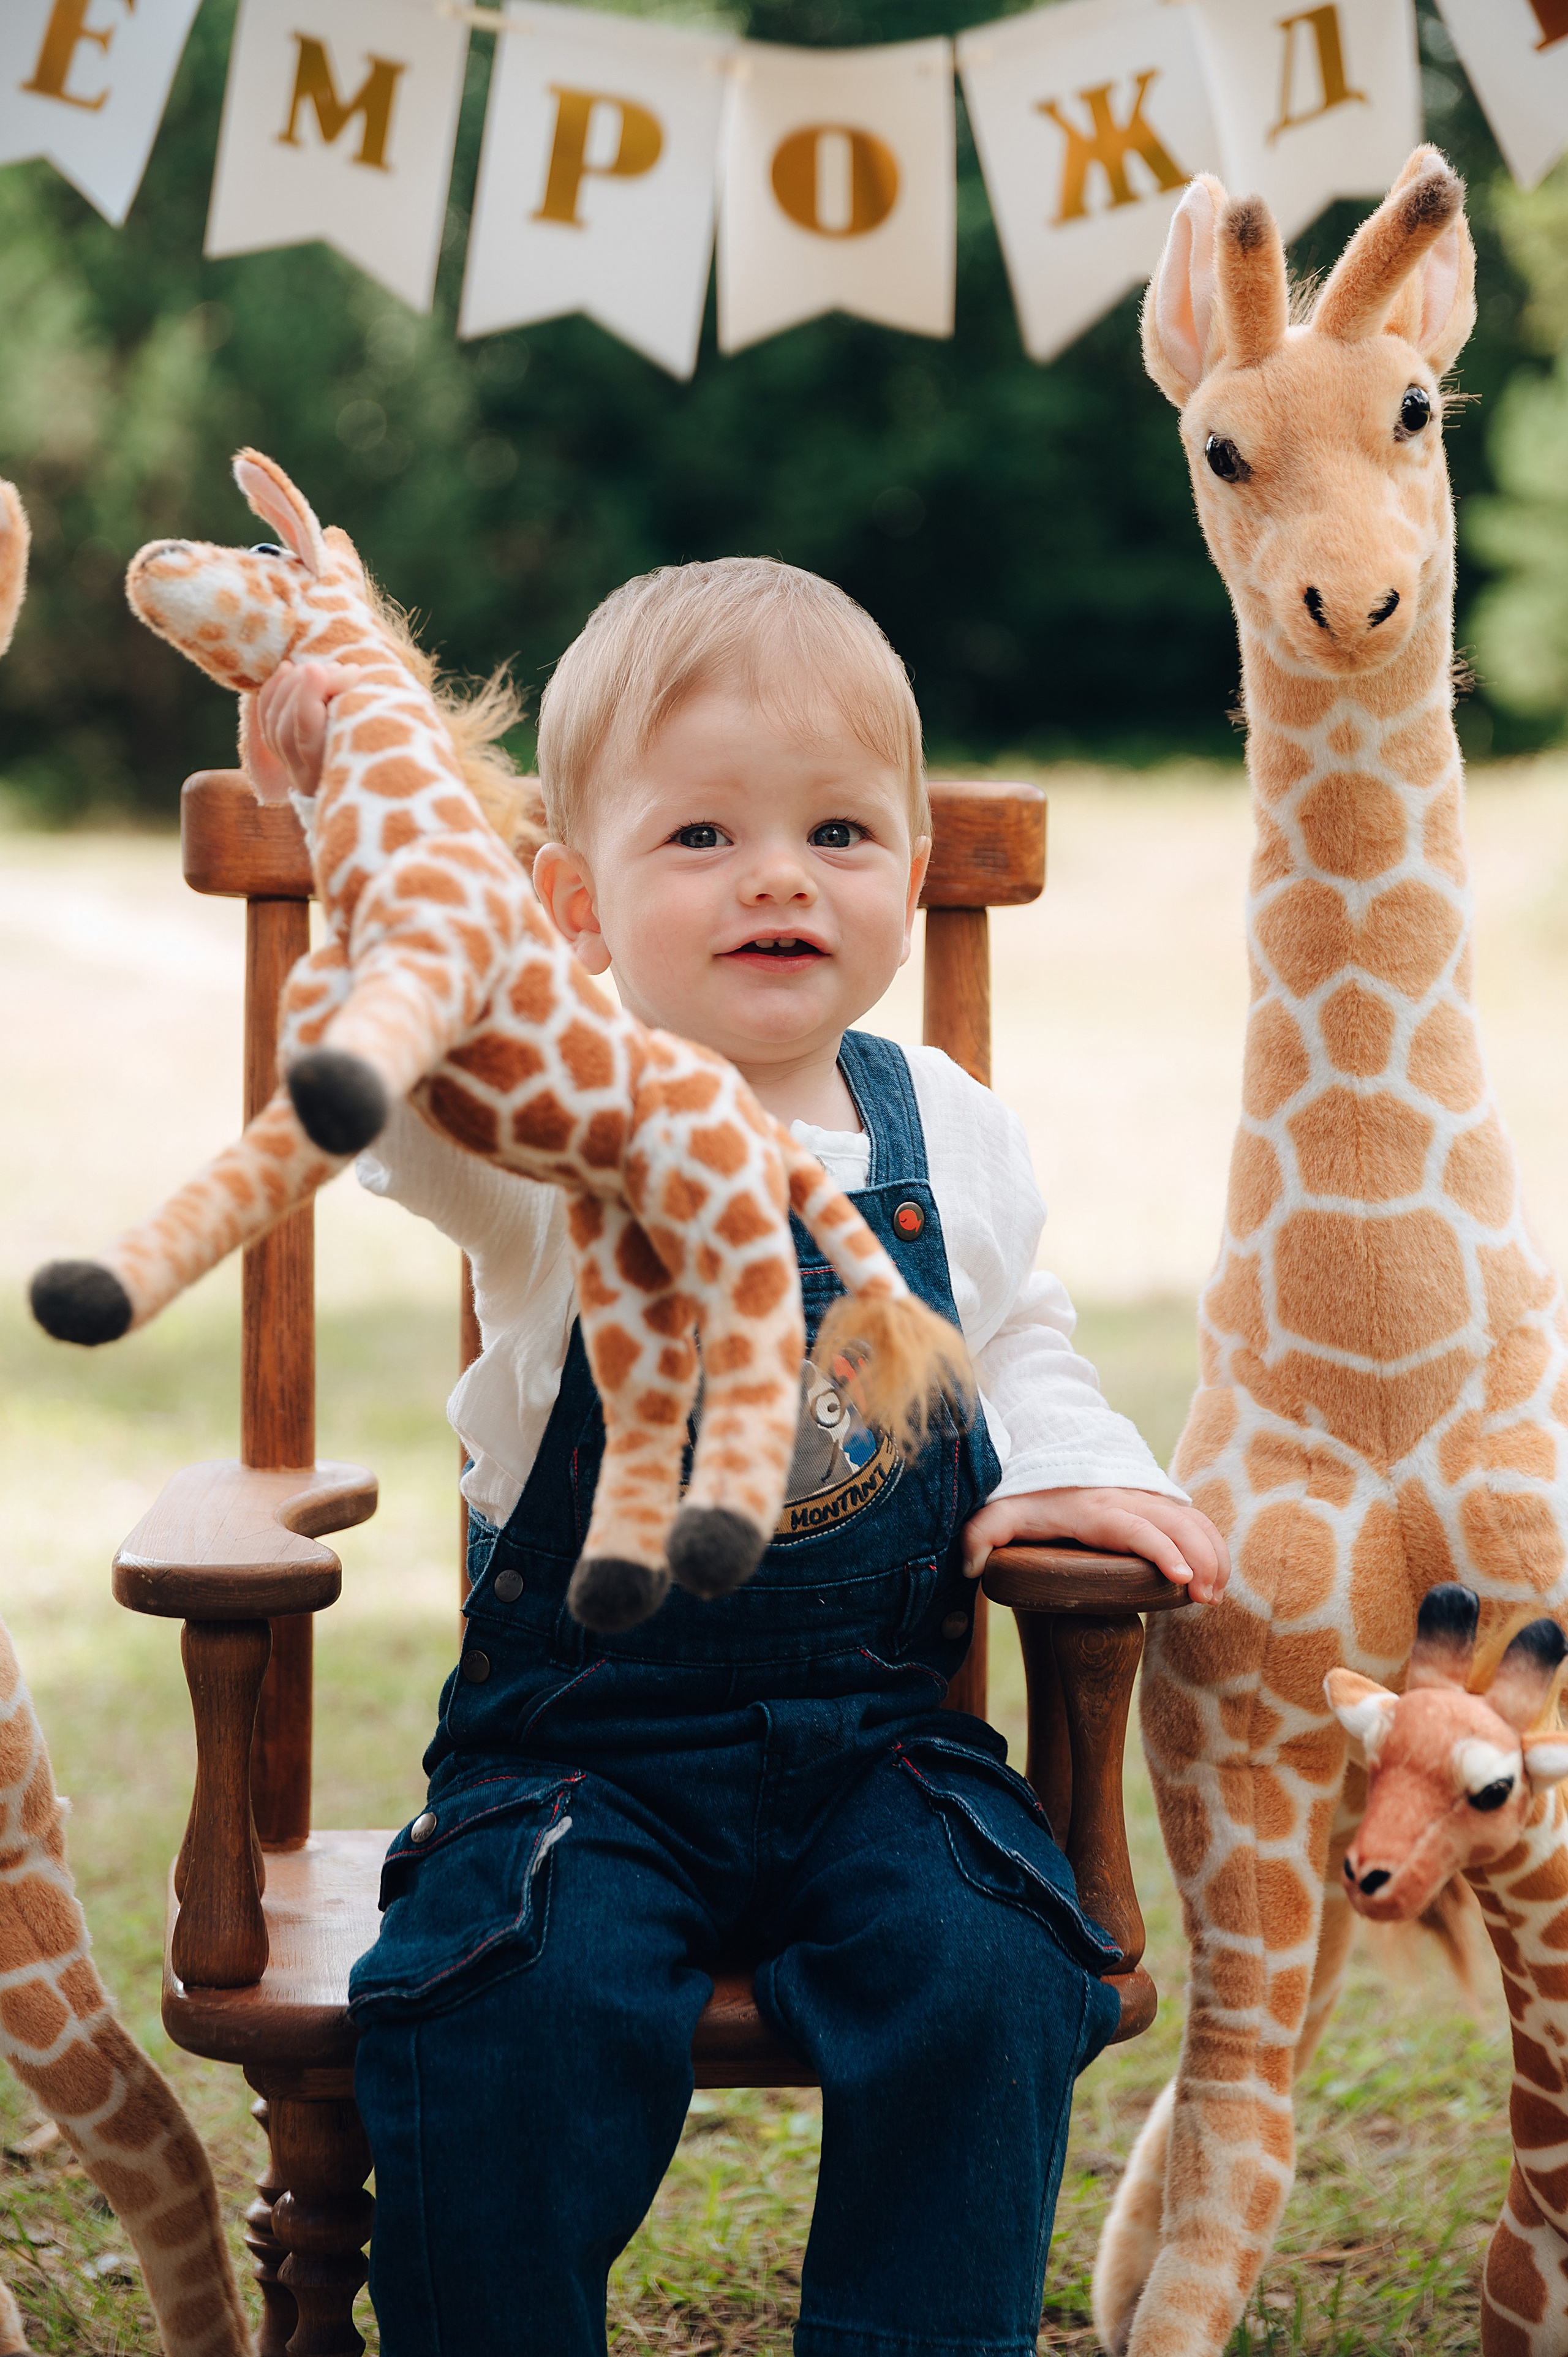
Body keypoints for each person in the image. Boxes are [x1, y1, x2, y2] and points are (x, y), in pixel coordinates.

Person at [255, 557, 1229, 2357]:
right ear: (571, 902)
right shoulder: (554, 1129)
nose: (780, 875)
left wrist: (1082, 1471)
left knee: (993, 1968)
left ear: (912, 874)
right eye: (700, 835)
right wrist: (357, 844)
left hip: (882, 1745)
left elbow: (1014, 1342)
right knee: (509, 2000)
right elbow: (400, 1117)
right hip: (584, 1766)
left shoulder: (954, 1129)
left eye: (841, 832)